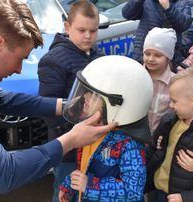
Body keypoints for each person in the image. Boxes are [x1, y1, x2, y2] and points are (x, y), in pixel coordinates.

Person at [0, 1, 116, 201]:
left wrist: (66, 106)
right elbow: (3, 173)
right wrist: (70, 140)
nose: (19, 70)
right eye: (20, 59)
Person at [58, 55, 154, 201]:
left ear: (119, 106)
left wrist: (89, 185)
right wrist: (69, 185)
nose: (85, 98)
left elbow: (133, 192)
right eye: (86, 92)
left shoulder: (129, 145)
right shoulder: (93, 130)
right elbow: (85, 167)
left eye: (94, 96)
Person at [37, 1, 102, 201]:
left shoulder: (99, 56)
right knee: (66, 194)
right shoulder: (53, 60)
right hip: (68, 150)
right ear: (67, 27)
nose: (88, 36)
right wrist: (76, 132)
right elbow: (49, 113)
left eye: (93, 30)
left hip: (96, 145)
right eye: (81, 30)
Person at [145, 67, 193, 202]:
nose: (170, 105)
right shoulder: (168, 121)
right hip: (157, 190)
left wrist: (185, 198)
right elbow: (151, 150)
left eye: (174, 101)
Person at [122, 0, 193, 72]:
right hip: (143, 54)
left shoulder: (182, 2)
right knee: (142, 80)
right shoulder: (147, 2)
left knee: (165, 81)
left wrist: (168, 8)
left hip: (169, 57)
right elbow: (127, 14)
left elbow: (184, 25)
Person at [143, 27, 177, 132]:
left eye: (158, 55)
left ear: (168, 57)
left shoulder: (175, 82)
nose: (151, 59)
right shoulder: (137, 76)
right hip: (137, 136)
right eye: (147, 54)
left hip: (162, 137)